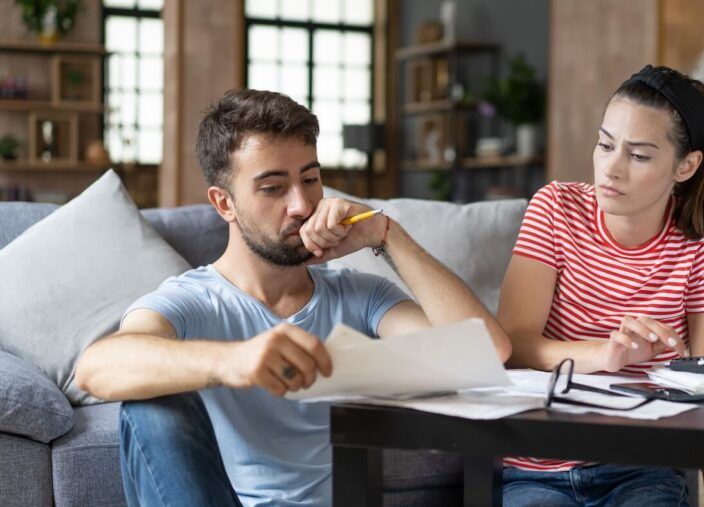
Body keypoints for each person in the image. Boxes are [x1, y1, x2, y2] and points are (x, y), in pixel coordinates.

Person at [74, 89, 511, 507]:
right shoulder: (194, 300)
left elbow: (488, 350)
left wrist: (387, 233)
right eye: (273, 187)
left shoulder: (360, 294)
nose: (302, 204)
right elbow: (97, 369)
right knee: (151, 407)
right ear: (224, 204)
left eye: (311, 179)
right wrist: (234, 361)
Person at [497, 65, 704, 507]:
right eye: (605, 144)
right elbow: (513, 344)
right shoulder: (556, 208)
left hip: (644, 464)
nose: (611, 169)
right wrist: (604, 355)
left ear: (686, 166)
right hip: (538, 465)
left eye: (639, 155)